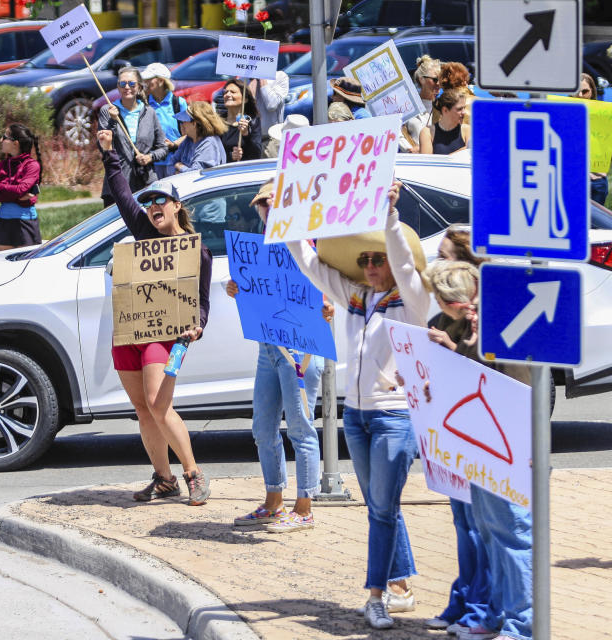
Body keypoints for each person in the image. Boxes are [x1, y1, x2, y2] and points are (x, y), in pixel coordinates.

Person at [288, 182, 429, 629]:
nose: (370, 266)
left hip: (394, 418)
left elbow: (405, 263)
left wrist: (389, 215)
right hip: (357, 418)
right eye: (364, 259)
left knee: (383, 508)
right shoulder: (354, 300)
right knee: (379, 506)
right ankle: (402, 584)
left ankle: (376, 597)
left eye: (377, 258)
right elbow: (310, 265)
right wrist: (282, 219)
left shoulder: (412, 301)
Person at [98, 127, 213, 505]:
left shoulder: (197, 251)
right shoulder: (143, 231)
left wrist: (197, 325)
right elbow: (120, 193)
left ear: (177, 206)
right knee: (143, 410)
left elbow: (202, 303)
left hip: (167, 336)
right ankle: (163, 479)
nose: (154, 208)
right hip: (130, 331)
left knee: (158, 404)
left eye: (161, 201)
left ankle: (193, 473)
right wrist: (109, 152)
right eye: (150, 204)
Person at [419, 260, 533, 640]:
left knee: (513, 534)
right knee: (490, 531)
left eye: (442, 299)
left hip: (507, 444)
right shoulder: (467, 325)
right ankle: (499, 616)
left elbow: (508, 383)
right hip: (479, 443)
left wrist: (471, 344)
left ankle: (522, 625)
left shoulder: (495, 324)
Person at [226, 180, 326, 532]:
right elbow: (260, 288)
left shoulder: (304, 240)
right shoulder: (263, 243)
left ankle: (304, 507)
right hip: (270, 344)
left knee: (300, 426)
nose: (266, 209)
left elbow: (318, 283)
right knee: (262, 426)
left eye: (272, 202)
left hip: (299, 345)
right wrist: (237, 287)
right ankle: (274, 500)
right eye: (262, 204)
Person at [98, 66, 168, 207]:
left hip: (146, 183)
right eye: (122, 84)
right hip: (116, 181)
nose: (127, 87)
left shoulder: (149, 112)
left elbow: (163, 148)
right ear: (118, 87)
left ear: (140, 87)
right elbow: (102, 147)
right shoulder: (107, 111)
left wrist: (150, 157)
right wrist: (112, 120)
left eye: (132, 83)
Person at [0, 123, 43, 251]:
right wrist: (18, 196)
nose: (1, 140)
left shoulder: (32, 165)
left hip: (25, 222)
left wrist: (0, 186)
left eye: (5, 137)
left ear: (15, 143)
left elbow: (20, 189)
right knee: (1, 264)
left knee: (27, 265)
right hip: (4, 221)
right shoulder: (1, 165)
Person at [143, 62, 187, 178]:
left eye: (149, 79)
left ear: (161, 81)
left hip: (175, 162)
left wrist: (173, 144)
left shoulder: (178, 103)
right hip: (151, 163)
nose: (145, 83)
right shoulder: (143, 104)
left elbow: (189, 134)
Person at [575, 72, 609, 206]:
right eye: (577, 92)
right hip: (574, 179)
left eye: (585, 91)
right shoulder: (563, 115)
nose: (580, 95)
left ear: (592, 92)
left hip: (596, 181)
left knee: (596, 226)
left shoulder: (602, 115)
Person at [400, 55, 440, 153]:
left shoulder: (444, 106)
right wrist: (409, 149)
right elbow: (396, 131)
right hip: (413, 161)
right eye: (435, 79)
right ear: (422, 80)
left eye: (441, 79)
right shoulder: (407, 105)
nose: (438, 83)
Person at [172, 102, 227, 174]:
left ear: (194, 124)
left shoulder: (209, 143)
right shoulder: (188, 140)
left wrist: (180, 167)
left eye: (184, 121)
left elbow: (196, 174)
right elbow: (171, 163)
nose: (181, 123)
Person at [219, 79, 262, 163]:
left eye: (233, 92)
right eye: (225, 92)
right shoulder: (218, 121)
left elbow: (256, 154)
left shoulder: (252, 121)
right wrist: (231, 156)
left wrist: (246, 134)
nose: (228, 94)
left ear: (245, 99)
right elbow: (213, 153)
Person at [419, 89, 471, 155]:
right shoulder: (428, 132)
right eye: (459, 109)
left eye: (464, 108)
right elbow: (426, 162)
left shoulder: (467, 130)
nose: (464, 112)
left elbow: (471, 153)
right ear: (445, 110)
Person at [247, 70, 289, 143]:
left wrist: (262, 78)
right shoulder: (243, 79)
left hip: (271, 139)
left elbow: (271, 105)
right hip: (250, 138)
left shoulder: (280, 76)